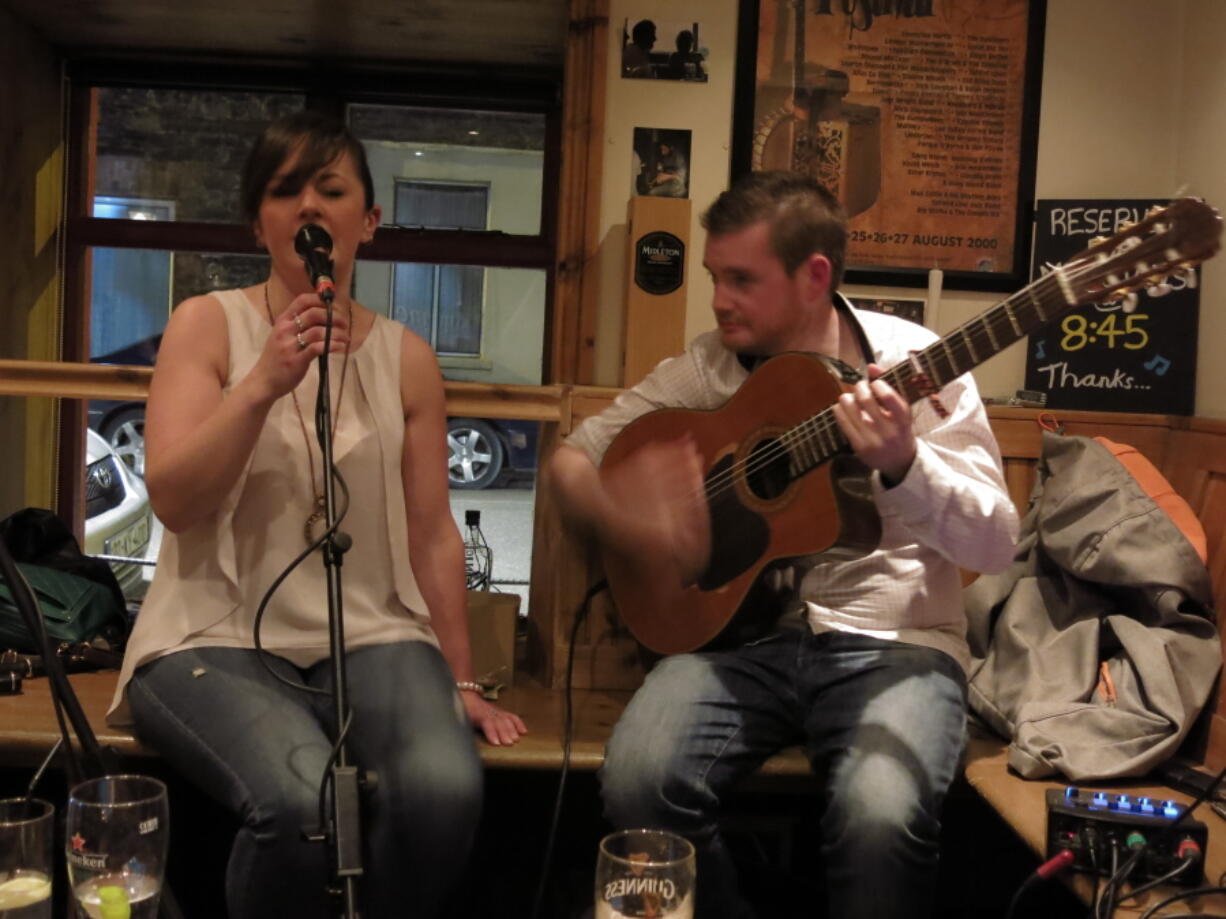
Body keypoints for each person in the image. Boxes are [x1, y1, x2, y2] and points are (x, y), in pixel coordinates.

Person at [547, 171, 1018, 919]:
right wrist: (637, 524)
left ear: (815, 276)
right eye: (713, 276)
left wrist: (905, 461)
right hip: (739, 644)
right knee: (638, 781)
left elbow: (995, 541)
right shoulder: (707, 368)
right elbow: (572, 459)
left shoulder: (914, 361)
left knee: (879, 814)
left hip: (894, 641)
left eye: (741, 279)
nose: (717, 300)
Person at [106, 111, 526, 919]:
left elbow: (435, 530)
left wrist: (463, 680)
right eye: (283, 190)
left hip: (372, 629)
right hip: (210, 632)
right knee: (300, 804)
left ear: (367, 220)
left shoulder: (407, 356)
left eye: (330, 190)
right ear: (258, 221)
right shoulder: (207, 324)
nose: (307, 206)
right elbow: (175, 498)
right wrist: (263, 380)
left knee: (442, 790)